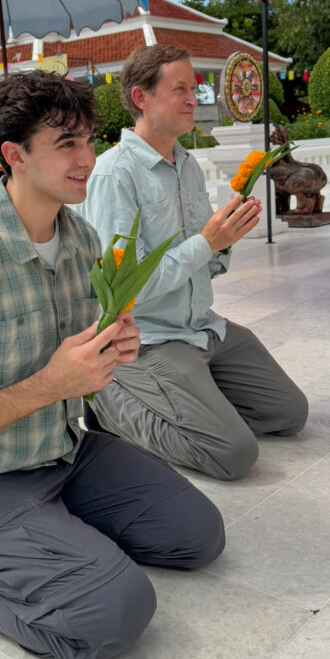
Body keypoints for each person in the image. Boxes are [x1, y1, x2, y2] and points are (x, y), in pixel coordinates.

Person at [0, 70, 224, 659]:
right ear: (14, 155)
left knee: (197, 536)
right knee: (110, 615)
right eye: (67, 144)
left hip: (57, 454)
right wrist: (50, 386)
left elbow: (77, 361)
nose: (88, 158)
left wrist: (114, 347)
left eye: (89, 139)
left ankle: (52, 537)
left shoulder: (81, 240)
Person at [77, 46, 308, 481]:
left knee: (289, 414)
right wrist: (206, 242)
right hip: (147, 339)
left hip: (202, 327)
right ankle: (109, 404)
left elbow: (206, 261)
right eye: (179, 89)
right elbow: (127, 288)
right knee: (233, 454)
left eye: (194, 89)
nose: (192, 99)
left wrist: (223, 242)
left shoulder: (187, 165)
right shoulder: (114, 175)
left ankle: (191, 398)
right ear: (141, 98)